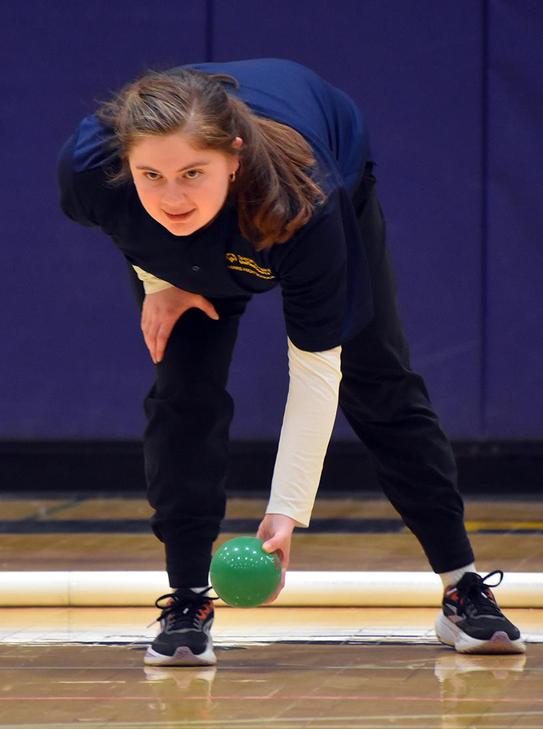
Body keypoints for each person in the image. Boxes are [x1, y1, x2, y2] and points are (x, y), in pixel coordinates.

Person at [57, 57, 525, 666]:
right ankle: (187, 602)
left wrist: (286, 512)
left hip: (308, 174)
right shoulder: (92, 171)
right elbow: (126, 225)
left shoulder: (304, 201)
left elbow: (314, 368)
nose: (172, 197)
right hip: (183, 226)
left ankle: (462, 588)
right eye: (152, 175)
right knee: (182, 394)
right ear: (127, 166)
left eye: (193, 173)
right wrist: (158, 280)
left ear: (233, 153)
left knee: (376, 380)